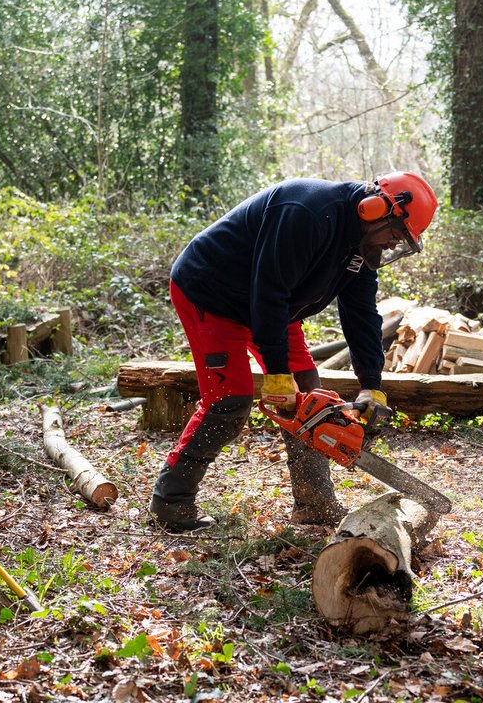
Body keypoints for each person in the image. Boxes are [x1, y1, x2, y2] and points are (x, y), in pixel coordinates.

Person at [152, 172, 439, 532]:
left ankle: (314, 503)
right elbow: (268, 289)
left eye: (400, 240)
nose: (391, 243)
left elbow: (362, 313)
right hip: (213, 294)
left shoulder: (362, 246)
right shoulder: (306, 212)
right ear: (374, 208)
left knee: (310, 399)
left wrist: (371, 384)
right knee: (229, 401)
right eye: (394, 234)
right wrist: (276, 374)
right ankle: (171, 501)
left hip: (273, 306)